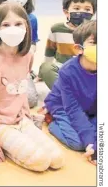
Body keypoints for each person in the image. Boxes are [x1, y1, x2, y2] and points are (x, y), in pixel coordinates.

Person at [0, 2, 65, 172]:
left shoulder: (28, 56)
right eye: (6, 24)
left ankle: (17, 141)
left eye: (18, 24)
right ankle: (8, 148)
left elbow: (21, 91)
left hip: (21, 119)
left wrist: (27, 118)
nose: (13, 28)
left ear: (26, 27)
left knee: (57, 159)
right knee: (41, 162)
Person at [44, 20, 97, 165]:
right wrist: (89, 143)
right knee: (78, 143)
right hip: (64, 107)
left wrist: (97, 146)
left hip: (91, 109)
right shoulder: (67, 71)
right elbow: (72, 109)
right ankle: (53, 122)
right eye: (94, 42)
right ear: (79, 49)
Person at [39, 0, 96, 89]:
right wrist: (42, 74)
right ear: (66, 12)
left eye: (87, 9)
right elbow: (49, 51)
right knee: (46, 68)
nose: (82, 12)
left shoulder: (96, 30)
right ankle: (63, 92)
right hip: (63, 68)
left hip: (88, 69)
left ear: (93, 13)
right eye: (77, 8)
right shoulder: (56, 29)